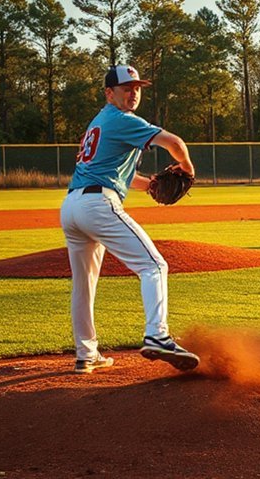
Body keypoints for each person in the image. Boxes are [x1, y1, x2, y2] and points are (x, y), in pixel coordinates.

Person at [62, 65, 200, 373]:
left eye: (137, 88)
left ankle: (86, 354)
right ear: (109, 93)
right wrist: (188, 167)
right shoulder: (122, 119)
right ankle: (158, 335)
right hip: (97, 204)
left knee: (83, 285)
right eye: (127, 88)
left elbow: (113, 172)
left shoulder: (98, 122)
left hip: (72, 206)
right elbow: (174, 144)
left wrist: (150, 184)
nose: (133, 93)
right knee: (154, 265)